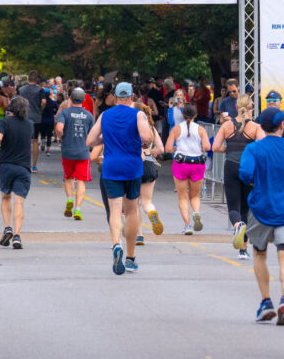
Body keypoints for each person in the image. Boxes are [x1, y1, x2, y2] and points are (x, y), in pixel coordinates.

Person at [238, 107, 284, 325]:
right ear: (282, 126)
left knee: (259, 253)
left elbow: (246, 174)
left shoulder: (254, 149)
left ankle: (266, 302)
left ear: (260, 126)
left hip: (260, 208)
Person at [86, 82, 153, 276]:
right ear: (132, 97)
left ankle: (116, 244)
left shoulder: (105, 115)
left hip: (111, 165)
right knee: (131, 211)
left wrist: (106, 139)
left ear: (115, 98)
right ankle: (131, 258)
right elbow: (147, 137)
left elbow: (90, 141)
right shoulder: (138, 114)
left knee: (115, 210)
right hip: (132, 166)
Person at [212, 94, 262, 258]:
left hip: (231, 166)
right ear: (251, 108)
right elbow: (262, 149)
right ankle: (243, 250)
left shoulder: (227, 125)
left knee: (233, 207)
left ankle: (237, 224)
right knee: (245, 208)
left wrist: (229, 149)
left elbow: (214, 147)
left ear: (235, 107)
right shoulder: (255, 127)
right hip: (248, 169)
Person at [0, 96, 34, 250]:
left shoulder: (3, 122)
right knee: (19, 202)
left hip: (7, 166)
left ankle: (7, 227)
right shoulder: (30, 125)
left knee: (5, 197)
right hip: (23, 167)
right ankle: (17, 235)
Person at [164, 103, 210, 235]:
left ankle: (187, 225)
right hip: (197, 164)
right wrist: (200, 147)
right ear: (195, 115)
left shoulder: (176, 129)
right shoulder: (201, 129)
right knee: (195, 196)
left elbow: (167, 148)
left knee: (182, 197)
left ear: (183, 115)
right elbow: (207, 146)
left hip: (181, 164)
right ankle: (196, 212)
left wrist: (174, 149)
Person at [55, 87, 94, 220]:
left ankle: (69, 199)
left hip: (67, 151)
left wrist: (61, 136)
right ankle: (77, 210)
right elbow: (93, 134)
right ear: (83, 100)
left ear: (70, 98)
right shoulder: (89, 115)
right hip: (83, 152)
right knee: (81, 181)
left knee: (69, 177)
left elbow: (59, 128)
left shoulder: (64, 113)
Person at [137, 103, 165, 244]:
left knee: (133, 204)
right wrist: (149, 152)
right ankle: (151, 212)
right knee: (147, 202)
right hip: (149, 164)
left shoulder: (131, 127)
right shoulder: (151, 129)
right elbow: (161, 149)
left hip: (134, 165)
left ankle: (139, 235)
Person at [18, 70, 49, 171]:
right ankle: (34, 165)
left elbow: (17, 101)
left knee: (23, 140)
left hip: (23, 117)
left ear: (28, 78)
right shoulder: (40, 90)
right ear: (37, 79)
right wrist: (40, 109)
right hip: (36, 117)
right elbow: (44, 102)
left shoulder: (21, 89)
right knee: (35, 140)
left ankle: (23, 163)